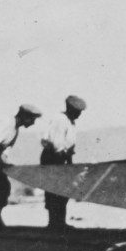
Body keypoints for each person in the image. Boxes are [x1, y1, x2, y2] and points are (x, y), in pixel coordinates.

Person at [40, 94, 86, 231]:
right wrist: (62, 159)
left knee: (64, 191)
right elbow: (57, 144)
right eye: (77, 112)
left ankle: (60, 221)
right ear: (70, 109)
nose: (79, 115)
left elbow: (70, 145)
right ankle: (53, 223)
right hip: (53, 157)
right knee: (54, 190)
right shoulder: (60, 120)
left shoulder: (71, 122)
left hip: (63, 158)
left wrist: (70, 163)